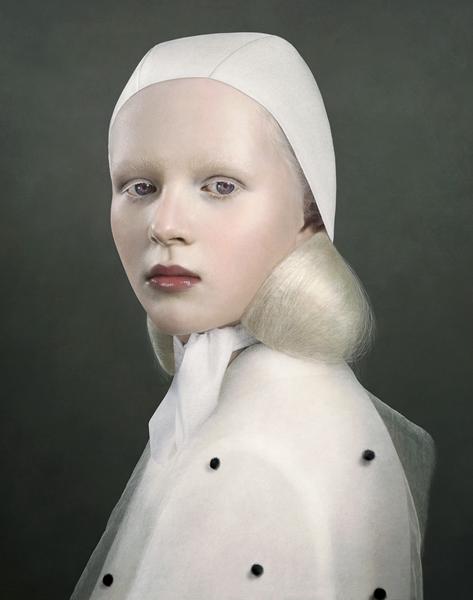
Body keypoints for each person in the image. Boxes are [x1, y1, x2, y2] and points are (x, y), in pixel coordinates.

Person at [70, 32, 436, 600]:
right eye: (140, 187)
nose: (165, 225)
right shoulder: (237, 391)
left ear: (308, 214)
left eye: (220, 186)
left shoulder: (271, 437)